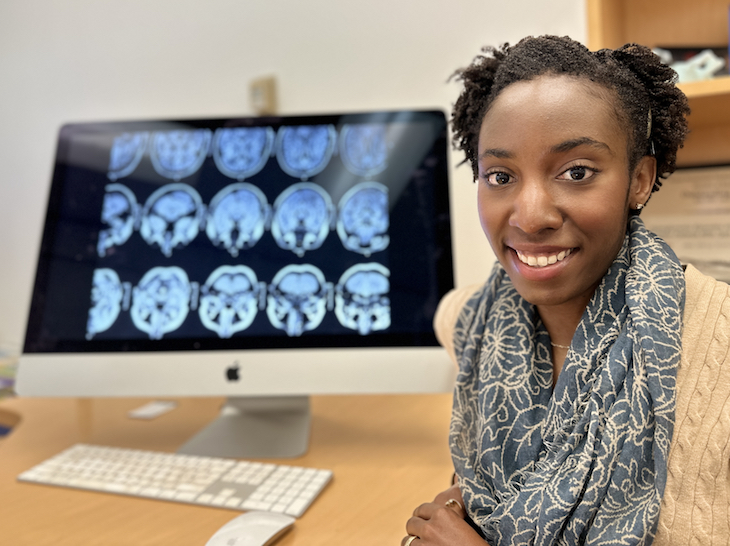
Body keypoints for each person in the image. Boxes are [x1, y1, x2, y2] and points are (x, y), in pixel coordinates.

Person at [402, 35, 730, 546]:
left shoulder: (720, 350)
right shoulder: (468, 322)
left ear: (639, 180)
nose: (531, 216)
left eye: (576, 172)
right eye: (501, 175)